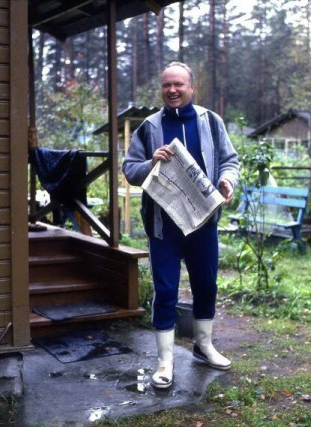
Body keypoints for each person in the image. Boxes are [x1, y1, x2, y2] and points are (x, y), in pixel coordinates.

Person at [122, 62, 240, 389]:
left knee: (206, 285)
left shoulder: (211, 122)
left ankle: (203, 346)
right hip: (164, 228)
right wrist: (150, 162)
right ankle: (165, 361)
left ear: (191, 87)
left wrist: (227, 181)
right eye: (166, 85)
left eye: (178, 84)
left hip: (204, 223)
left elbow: (230, 161)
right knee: (165, 291)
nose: (172, 90)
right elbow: (129, 169)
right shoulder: (149, 127)